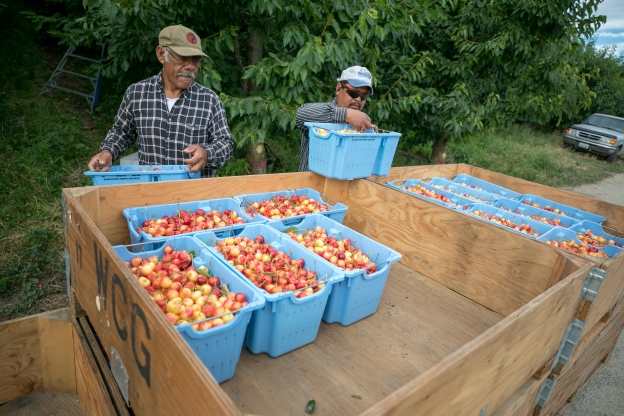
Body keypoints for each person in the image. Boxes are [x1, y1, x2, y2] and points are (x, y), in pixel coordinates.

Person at [87, 25, 234, 177]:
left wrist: (207, 153)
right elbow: (122, 133)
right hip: (151, 193)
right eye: (183, 59)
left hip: (195, 196)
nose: (190, 67)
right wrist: (107, 152)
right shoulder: (137, 93)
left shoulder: (209, 100)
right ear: (162, 54)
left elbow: (226, 144)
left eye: (195, 61)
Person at [295, 65, 376, 172]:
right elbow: (301, 113)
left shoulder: (361, 124)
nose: (358, 99)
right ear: (338, 88)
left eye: (363, 96)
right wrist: (346, 114)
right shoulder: (321, 114)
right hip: (312, 187)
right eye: (353, 93)